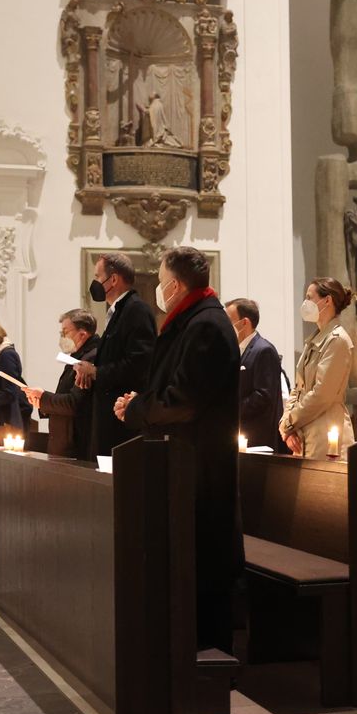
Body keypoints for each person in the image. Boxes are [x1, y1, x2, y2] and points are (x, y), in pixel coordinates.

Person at [114, 246, 241, 653]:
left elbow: (184, 401)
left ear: (175, 284)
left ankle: (207, 657)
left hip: (201, 466)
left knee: (205, 564)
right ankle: (186, 646)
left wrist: (136, 409)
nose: (158, 289)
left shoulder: (205, 326)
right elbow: (173, 387)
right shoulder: (192, 321)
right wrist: (141, 402)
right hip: (186, 462)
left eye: (161, 280)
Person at [76, 253, 156, 456]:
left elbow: (139, 364)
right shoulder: (119, 311)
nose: (94, 282)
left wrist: (96, 372)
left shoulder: (136, 310)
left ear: (113, 279)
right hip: (108, 416)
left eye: (97, 276)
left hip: (122, 419)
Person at [279, 278, 356, 459]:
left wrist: (291, 422)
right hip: (302, 432)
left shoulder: (337, 340)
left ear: (327, 300)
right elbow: (298, 390)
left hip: (325, 433)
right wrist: (287, 425)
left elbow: (322, 394)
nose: (305, 303)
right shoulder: (314, 339)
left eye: (309, 297)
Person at [23, 310, 100, 459]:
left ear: (82, 334)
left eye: (65, 332)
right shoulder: (77, 357)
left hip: (77, 444)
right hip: (65, 440)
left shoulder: (89, 360)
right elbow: (65, 395)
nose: (62, 337)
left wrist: (44, 398)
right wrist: (41, 402)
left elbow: (74, 403)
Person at [225, 298, 287, 452]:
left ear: (244, 322)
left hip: (258, 435)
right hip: (241, 432)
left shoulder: (263, 350)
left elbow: (263, 395)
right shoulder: (237, 350)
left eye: (229, 321)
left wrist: (232, 409)